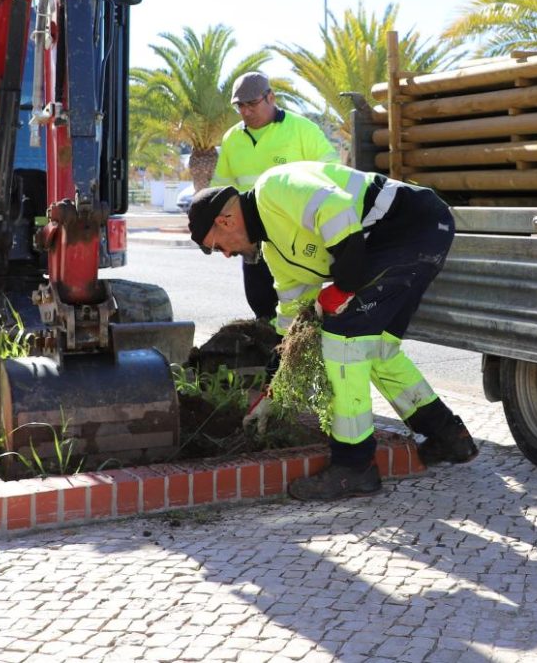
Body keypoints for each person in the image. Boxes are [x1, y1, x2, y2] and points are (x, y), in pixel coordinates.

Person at [190, 162, 478, 502]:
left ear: (225, 221)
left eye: (218, 245)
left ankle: (354, 466)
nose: (226, 254)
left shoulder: (275, 188)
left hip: (409, 223)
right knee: (379, 351)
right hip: (402, 238)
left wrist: (343, 288)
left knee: (343, 341)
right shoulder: (274, 250)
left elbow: (337, 209)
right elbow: (292, 317)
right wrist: (272, 387)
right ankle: (448, 435)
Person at [210, 71, 338, 324]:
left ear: (271, 97)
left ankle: (302, 348)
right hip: (254, 237)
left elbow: (332, 174)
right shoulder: (232, 139)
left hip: (295, 234)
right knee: (260, 300)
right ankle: (272, 349)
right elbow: (221, 188)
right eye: (240, 106)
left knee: (301, 303)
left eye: (252, 104)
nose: (246, 111)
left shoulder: (303, 130)